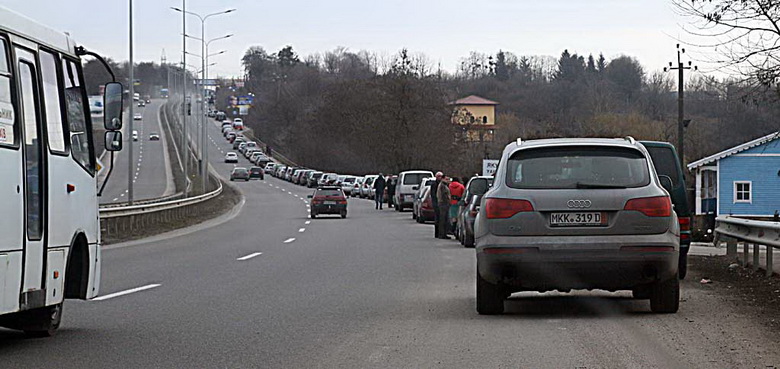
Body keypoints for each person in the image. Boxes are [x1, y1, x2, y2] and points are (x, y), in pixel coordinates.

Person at [430, 172, 443, 239]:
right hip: (437, 203)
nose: (440, 178)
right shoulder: (434, 184)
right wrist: (435, 203)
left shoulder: (441, 184)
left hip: (440, 203)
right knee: (437, 218)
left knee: (440, 219)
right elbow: (433, 195)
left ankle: (440, 233)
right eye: (439, 176)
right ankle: (437, 233)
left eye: (441, 176)